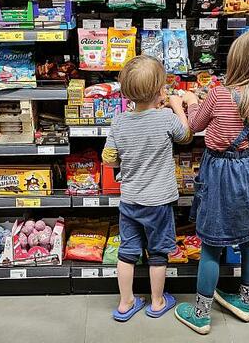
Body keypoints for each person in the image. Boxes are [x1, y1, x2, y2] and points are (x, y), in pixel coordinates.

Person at [174, 30, 249, 334]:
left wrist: (190, 100)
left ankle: (200, 313)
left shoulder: (220, 93)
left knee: (211, 245)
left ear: (236, 61)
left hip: (220, 172)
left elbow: (194, 126)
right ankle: (246, 302)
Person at [102, 55, 193, 322]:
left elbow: (109, 158)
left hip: (130, 200)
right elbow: (185, 136)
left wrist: (127, 160)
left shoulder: (119, 121)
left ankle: (125, 302)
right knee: (157, 253)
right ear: (160, 91)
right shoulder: (165, 118)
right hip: (159, 202)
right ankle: (157, 301)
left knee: (127, 251)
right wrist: (177, 107)